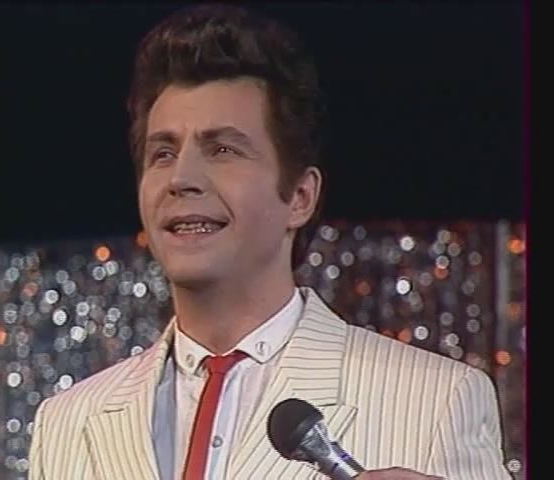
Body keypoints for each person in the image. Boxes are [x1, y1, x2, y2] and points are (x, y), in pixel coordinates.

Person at [28, 4, 512, 479]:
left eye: (222, 149)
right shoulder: (67, 423)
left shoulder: (435, 400)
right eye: (163, 153)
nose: (181, 179)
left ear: (300, 197)